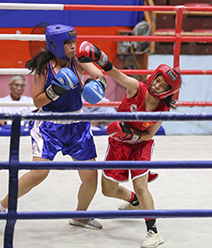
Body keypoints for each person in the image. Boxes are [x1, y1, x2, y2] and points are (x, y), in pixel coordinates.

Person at [0, 24, 108, 235]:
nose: (73, 46)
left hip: (77, 124)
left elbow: (100, 76)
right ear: (56, 45)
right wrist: (56, 90)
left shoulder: (78, 60)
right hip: (49, 125)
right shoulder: (44, 68)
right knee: (38, 173)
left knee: (90, 178)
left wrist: (98, 86)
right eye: (68, 43)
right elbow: (37, 100)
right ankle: (0, 207)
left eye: (74, 42)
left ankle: (80, 215)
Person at [77, 41, 182, 248]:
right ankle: (134, 201)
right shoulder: (136, 88)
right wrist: (99, 56)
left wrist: (133, 135)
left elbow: (149, 134)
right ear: (154, 77)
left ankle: (153, 232)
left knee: (141, 185)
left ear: (168, 91)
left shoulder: (162, 110)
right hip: (118, 143)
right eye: (158, 80)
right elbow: (115, 73)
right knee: (108, 190)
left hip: (141, 145)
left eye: (164, 86)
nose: (158, 86)